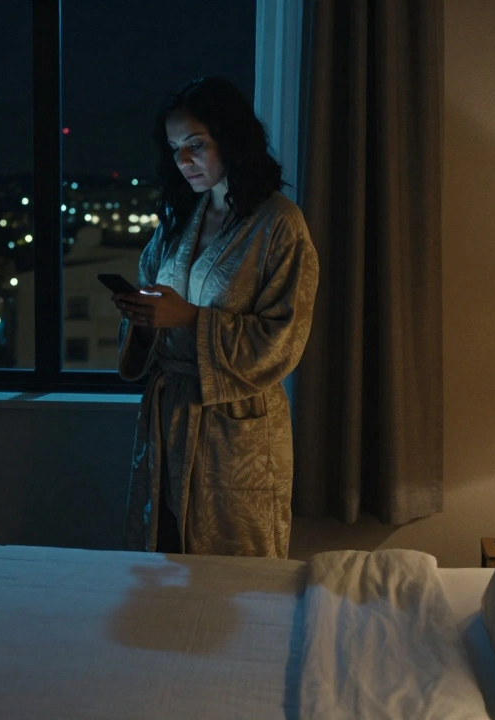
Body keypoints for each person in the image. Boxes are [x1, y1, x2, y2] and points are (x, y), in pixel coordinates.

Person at [112, 76, 319, 558]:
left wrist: (188, 319)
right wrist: (143, 318)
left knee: (234, 579)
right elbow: (151, 296)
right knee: (161, 562)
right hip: (168, 421)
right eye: (175, 149)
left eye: (196, 145)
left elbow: (283, 338)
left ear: (231, 138)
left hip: (236, 432)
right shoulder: (179, 219)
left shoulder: (280, 225)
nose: (183, 161)